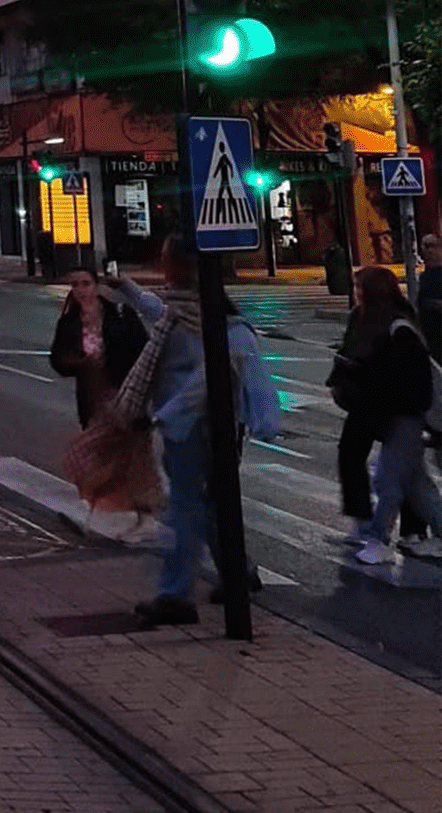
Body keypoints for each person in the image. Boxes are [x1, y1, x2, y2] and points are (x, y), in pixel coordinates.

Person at [108, 235, 281, 627]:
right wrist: (128, 289)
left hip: (200, 429)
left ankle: (176, 595)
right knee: (211, 505)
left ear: (185, 265)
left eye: (167, 258)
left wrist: (163, 416)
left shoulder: (222, 322)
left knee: (187, 508)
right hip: (183, 429)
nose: (162, 264)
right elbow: (160, 311)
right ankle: (239, 573)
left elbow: (211, 380)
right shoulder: (182, 312)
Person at [336, 265, 442, 566]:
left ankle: (379, 540)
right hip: (390, 415)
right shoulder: (367, 321)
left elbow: (413, 381)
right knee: (416, 484)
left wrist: (393, 406)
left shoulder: (398, 329)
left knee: (388, 479)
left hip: (405, 417)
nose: (356, 294)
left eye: (360, 288)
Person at [48, 267, 148, 427]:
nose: (80, 290)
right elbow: (57, 359)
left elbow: (143, 350)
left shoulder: (120, 313)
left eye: (86, 284)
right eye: (74, 285)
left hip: (125, 397)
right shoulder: (69, 322)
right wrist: (75, 362)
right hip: (92, 400)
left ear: (97, 286)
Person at [417, 234, 442, 363]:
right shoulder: (424, 276)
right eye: (424, 247)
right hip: (431, 335)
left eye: (431, 246)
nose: (428, 251)